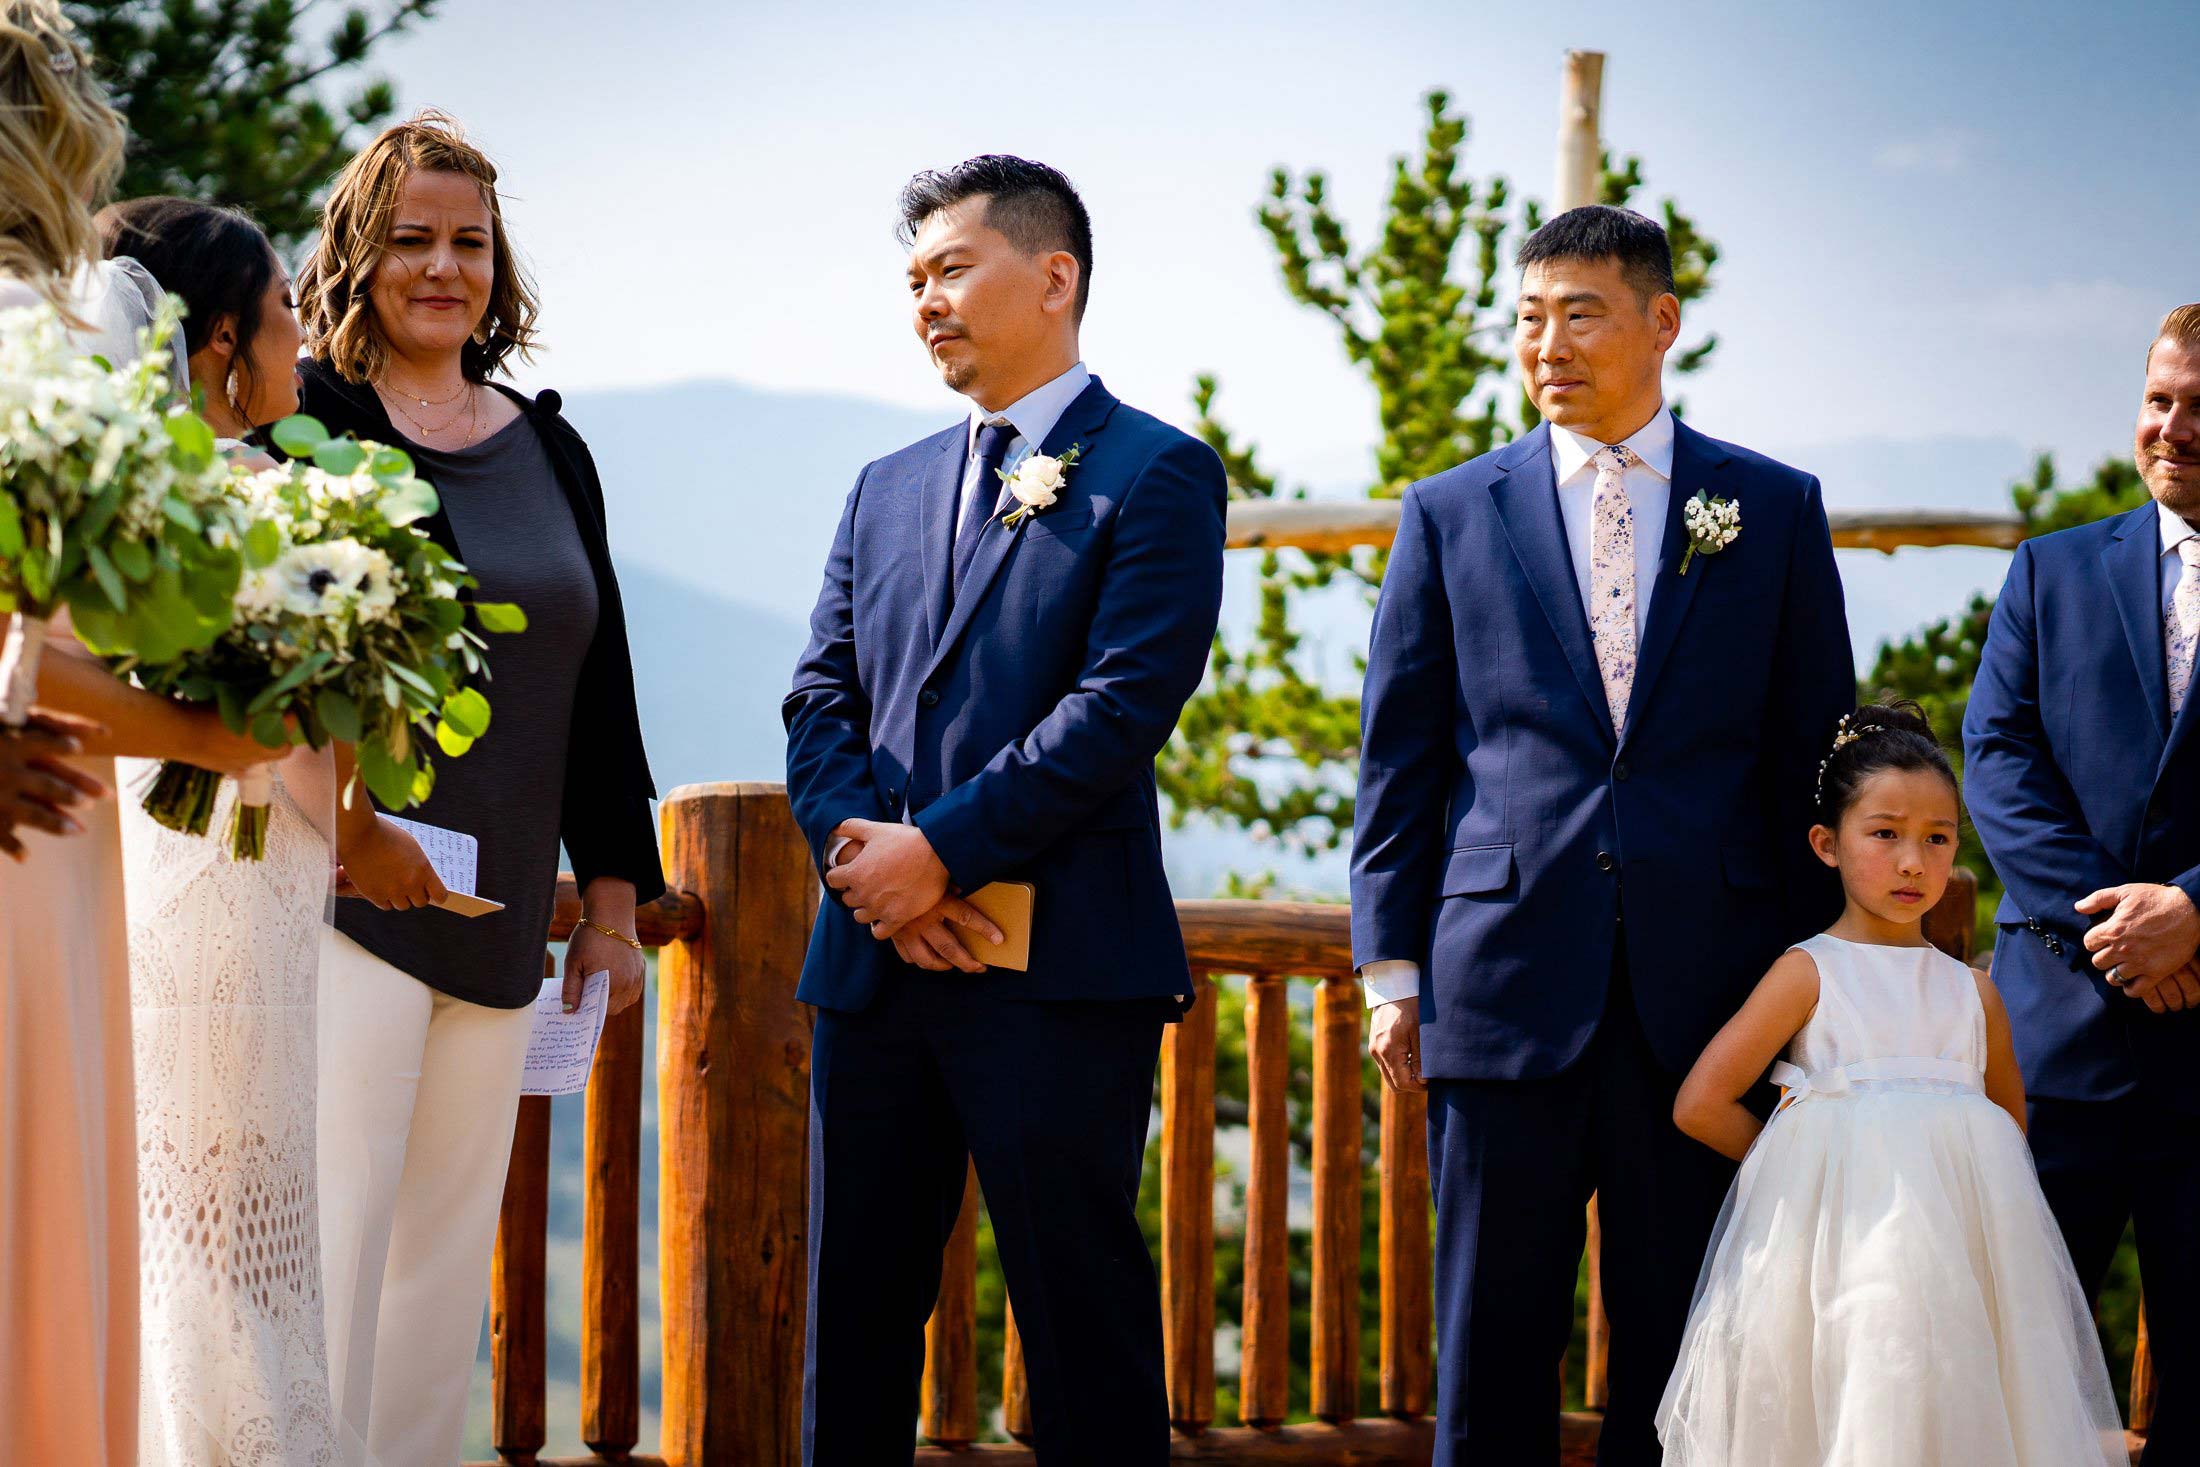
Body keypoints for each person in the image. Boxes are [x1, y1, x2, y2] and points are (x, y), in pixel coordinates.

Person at [1349, 204, 1855, 1464]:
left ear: (1661, 321)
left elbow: (1818, 760)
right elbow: (1400, 760)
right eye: (1527, 319)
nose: (1547, 346)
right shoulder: (1451, 510)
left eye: (1579, 314)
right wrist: (1389, 973)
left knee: (1689, 1352)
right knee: (1488, 1350)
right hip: (1500, 985)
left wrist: (1821, 982)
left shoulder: (1772, 509)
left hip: (1711, 1005)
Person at [783, 155, 1226, 1464]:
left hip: (1059, 973)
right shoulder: (888, 484)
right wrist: (871, 863)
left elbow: (1119, 706)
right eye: (913, 279)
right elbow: (821, 696)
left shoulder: (1156, 473)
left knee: (1080, 1327)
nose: (927, 300)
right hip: (874, 966)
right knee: (853, 1328)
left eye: (952, 268)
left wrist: (945, 852)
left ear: (1055, 274)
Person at [292, 111, 662, 1466]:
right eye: (411, 240)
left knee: (441, 1279)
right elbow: (274, 667)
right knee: (329, 1254)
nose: (443, 266)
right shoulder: (308, 428)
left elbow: (599, 689)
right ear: (357, 254)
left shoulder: (551, 448)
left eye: (469, 241)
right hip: (343, 904)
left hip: (505, 928)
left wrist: (611, 909)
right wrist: (352, 828)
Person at [0, 7, 271, 1462]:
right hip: (39, 805)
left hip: (54, 804)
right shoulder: (72, 322)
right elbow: (48, 640)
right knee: (34, 1181)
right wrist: (209, 732)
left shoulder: (76, 312)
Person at [1657, 701, 2124, 1465]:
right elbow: (1700, 1102)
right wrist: (1803, 1160)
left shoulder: (1974, 995)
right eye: (1885, 833)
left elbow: (2007, 1124)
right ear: (1826, 843)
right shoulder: (1809, 973)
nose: (1914, 861)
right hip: (1838, 1268)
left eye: (1938, 839)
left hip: (1964, 1287)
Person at [99, 197, 350, 1466]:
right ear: (216, 342)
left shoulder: (115, 498)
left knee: (160, 1198)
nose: (302, 338)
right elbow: (303, 742)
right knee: (248, 1197)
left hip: (142, 868)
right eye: (286, 312)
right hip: (247, 885)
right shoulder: (261, 496)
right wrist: (353, 821)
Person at [1964, 302, 2200, 1465]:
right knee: (2012, 1372)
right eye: (2160, 399)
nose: (2174, 427)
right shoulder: (2048, 571)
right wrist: (2122, 929)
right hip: (2053, 1044)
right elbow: (1997, 762)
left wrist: (2195, 910)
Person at [97, 197, 305, 466]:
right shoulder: (246, 469)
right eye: (287, 302)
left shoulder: (137, 469)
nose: (303, 334)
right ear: (225, 335)